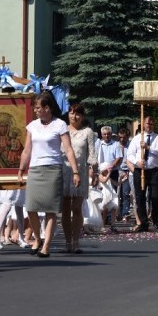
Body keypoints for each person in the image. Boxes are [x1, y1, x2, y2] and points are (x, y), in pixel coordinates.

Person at [17, 90, 80, 258]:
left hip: (53, 170)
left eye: (38, 107)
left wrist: (75, 171)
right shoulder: (32, 126)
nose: (36, 110)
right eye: (35, 108)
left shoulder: (59, 124)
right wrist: (21, 170)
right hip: (35, 169)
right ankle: (37, 238)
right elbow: (27, 150)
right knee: (30, 207)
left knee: (51, 210)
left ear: (47, 108)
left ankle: (46, 245)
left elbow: (68, 149)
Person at [61, 102, 97, 253]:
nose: (74, 116)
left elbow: (92, 154)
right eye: (71, 113)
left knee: (76, 208)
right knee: (65, 209)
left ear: (82, 116)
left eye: (77, 114)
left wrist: (94, 171)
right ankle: (67, 242)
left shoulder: (88, 132)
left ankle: (76, 241)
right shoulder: (62, 130)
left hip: (80, 173)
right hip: (64, 171)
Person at [126, 116, 158, 231]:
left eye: (151, 124)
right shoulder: (137, 138)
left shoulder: (157, 137)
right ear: (143, 124)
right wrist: (137, 162)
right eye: (148, 123)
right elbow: (130, 154)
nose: (149, 125)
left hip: (153, 171)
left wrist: (148, 147)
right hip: (140, 170)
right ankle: (143, 223)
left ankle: (155, 218)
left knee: (155, 196)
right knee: (140, 197)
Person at [96, 125, 124, 231]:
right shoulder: (98, 143)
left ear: (111, 134)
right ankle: (102, 222)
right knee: (102, 197)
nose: (106, 136)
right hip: (101, 172)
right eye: (104, 134)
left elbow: (119, 157)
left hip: (113, 172)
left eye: (108, 134)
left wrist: (111, 166)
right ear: (101, 135)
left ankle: (112, 223)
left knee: (113, 197)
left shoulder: (116, 144)